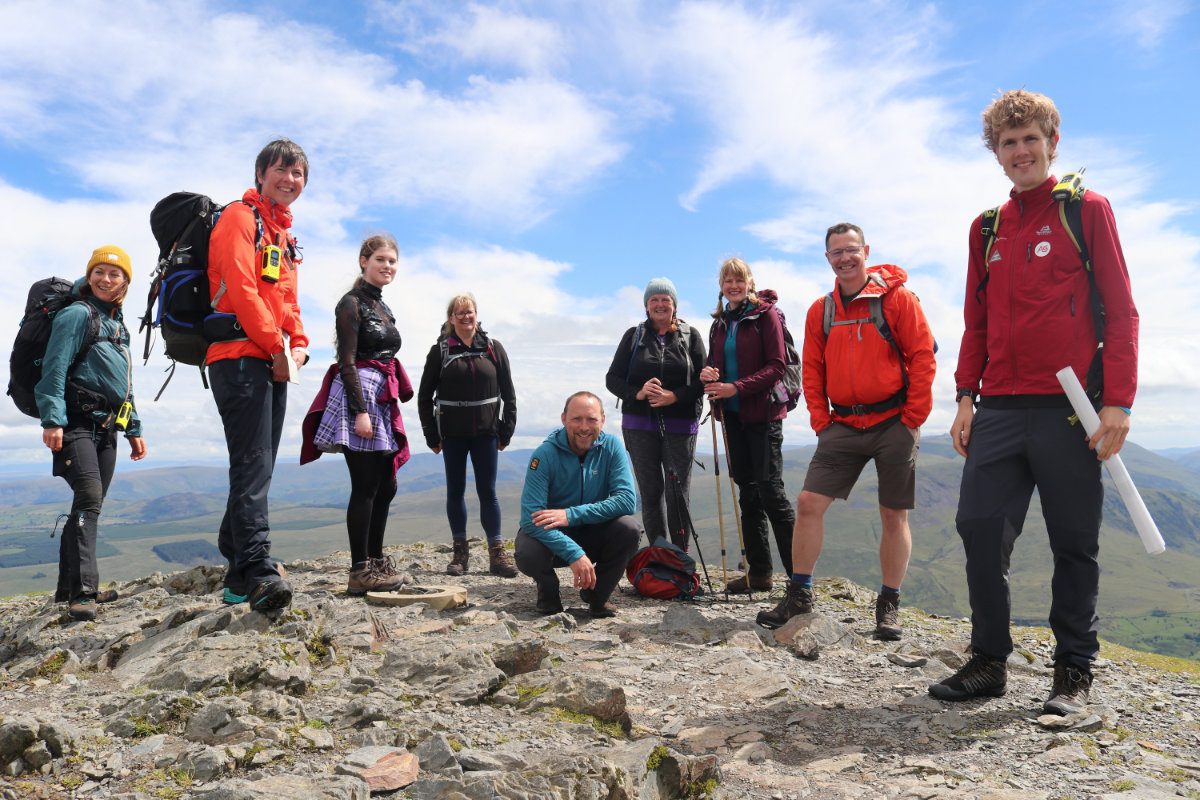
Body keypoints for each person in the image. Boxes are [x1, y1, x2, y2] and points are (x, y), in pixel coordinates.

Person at [929, 90, 1139, 715]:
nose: (1020, 150)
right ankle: (989, 661)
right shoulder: (986, 229)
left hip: (1072, 408)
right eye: (1008, 142)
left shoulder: (1087, 211)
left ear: (1052, 142)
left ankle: (1073, 670)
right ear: (996, 153)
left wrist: (1119, 401)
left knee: (1075, 540)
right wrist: (965, 396)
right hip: (998, 407)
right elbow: (978, 323)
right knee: (978, 528)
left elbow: (1122, 312)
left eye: (1030, 139)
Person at [755, 224, 936, 639]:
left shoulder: (898, 300)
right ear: (827, 259)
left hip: (894, 419)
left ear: (866, 251)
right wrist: (820, 419)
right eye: (836, 252)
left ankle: (888, 603)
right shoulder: (821, 310)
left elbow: (922, 355)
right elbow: (813, 369)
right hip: (842, 423)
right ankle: (799, 594)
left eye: (851, 250)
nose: (844, 258)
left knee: (893, 513)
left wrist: (914, 415)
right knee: (807, 503)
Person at [206, 138, 310, 612]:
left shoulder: (283, 237)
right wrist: (275, 345)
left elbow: (287, 300)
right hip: (239, 356)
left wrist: (299, 343)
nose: (291, 180)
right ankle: (260, 571)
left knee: (260, 464)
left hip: (273, 359)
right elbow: (243, 289)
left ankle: (235, 574)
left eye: (299, 174)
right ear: (261, 173)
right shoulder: (238, 218)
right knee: (252, 463)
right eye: (282, 170)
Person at [34, 245, 148, 621]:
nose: (106, 279)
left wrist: (133, 428)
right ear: (90, 276)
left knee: (85, 504)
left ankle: (67, 589)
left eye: (115, 274)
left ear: (125, 282)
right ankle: (84, 594)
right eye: (99, 271)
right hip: (76, 424)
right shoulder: (76, 315)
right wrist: (52, 419)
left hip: (107, 428)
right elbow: (54, 367)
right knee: (89, 500)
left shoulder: (118, 325)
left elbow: (124, 383)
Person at [300, 235, 413, 595]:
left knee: (387, 484)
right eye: (381, 259)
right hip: (359, 396)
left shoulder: (382, 306)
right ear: (363, 260)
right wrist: (359, 412)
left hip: (380, 395)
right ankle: (359, 571)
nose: (387, 266)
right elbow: (346, 361)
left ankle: (377, 561)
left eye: (392, 261)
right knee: (365, 486)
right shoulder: (350, 304)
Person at [699, 258, 795, 593]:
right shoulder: (720, 323)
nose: (733, 286)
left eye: (739, 280)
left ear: (750, 282)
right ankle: (760, 574)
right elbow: (716, 362)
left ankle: (800, 579)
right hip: (734, 418)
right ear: (721, 286)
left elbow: (777, 366)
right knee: (749, 496)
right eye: (728, 281)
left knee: (772, 495)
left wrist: (735, 387)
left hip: (764, 417)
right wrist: (708, 373)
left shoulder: (765, 315)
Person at [417, 293, 518, 578]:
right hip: (452, 434)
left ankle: (497, 555)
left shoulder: (493, 349)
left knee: (488, 491)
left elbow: (509, 394)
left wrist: (506, 430)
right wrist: (431, 435)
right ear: (451, 319)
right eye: (459, 313)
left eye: (469, 311)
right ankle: (460, 554)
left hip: (487, 432)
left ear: (476, 315)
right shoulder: (440, 351)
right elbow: (424, 397)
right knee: (455, 490)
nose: (465, 317)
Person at [514, 392, 641, 617]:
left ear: (602, 419)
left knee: (629, 530)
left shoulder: (612, 447)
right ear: (564, 419)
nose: (584, 427)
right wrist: (574, 553)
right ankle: (548, 590)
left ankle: (597, 595)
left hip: (592, 531)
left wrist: (571, 515)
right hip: (554, 537)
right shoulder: (544, 454)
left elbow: (626, 500)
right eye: (576, 419)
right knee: (527, 551)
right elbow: (530, 518)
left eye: (591, 419)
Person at [605, 278, 706, 549]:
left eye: (666, 300)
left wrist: (674, 396)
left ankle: (680, 558)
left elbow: (702, 380)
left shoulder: (691, 335)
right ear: (646, 306)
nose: (660, 304)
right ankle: (660, 554)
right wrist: (638, 392)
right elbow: (612, 379)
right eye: (654, 300)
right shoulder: (633, 336)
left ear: (674, 305)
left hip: (680, 425)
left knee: (677, 494)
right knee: (650, 493)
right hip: (639, 425)